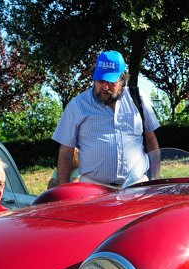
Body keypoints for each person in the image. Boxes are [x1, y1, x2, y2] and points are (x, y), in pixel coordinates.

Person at [52, 50, 160, 187]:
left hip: (136, 185)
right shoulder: (77, 105)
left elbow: (150, 139)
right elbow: (66, 151)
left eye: (111, 81)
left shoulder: (138, 99)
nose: (105, 86)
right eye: (100, 80)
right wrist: (63, 189)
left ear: (122, 79)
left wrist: (155, 178)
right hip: (93, 187)